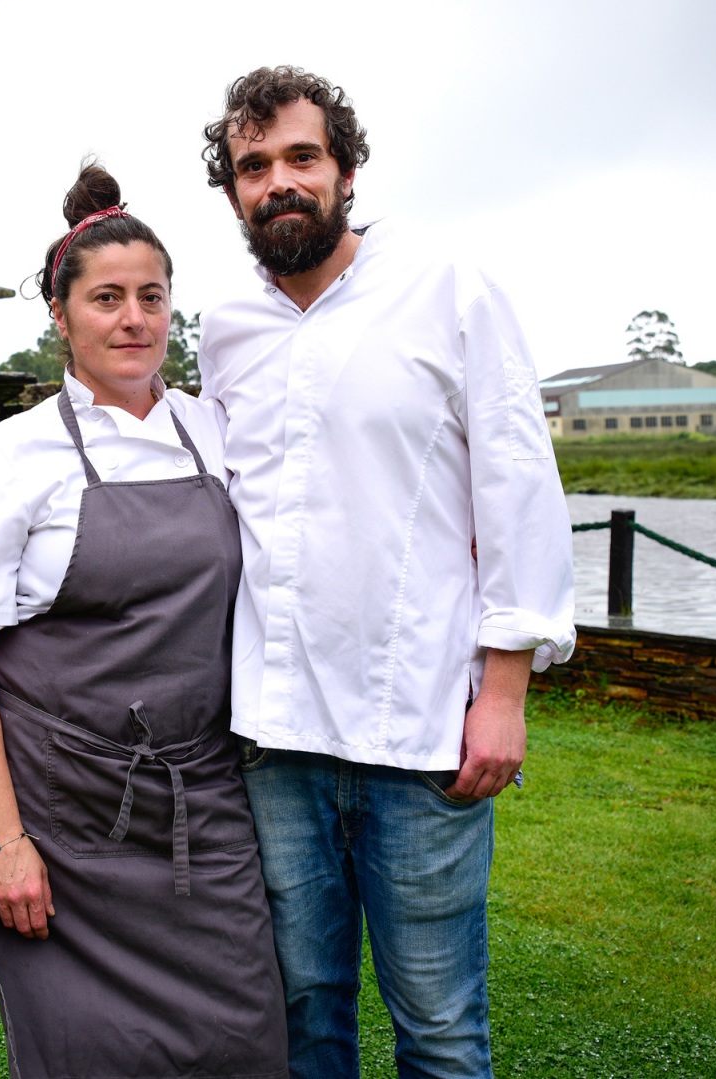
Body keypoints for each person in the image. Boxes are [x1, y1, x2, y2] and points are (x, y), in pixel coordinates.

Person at [195, 67, 575, 1079]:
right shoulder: (224, 328)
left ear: (346, 171)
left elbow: (518, 491)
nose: (279, 180)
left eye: (301, 156)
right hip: (273, 737)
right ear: (232, 192)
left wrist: (504, 693)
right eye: (253, 165)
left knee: (440, 1027)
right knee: (301, 1019)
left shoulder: (448, 289)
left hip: (422, 731)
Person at [0, 162, 288, 1079]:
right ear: (61, 315)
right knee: (88, 1053)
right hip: (62, 809)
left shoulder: (216, 431)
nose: (134, 319)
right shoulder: (12, 455)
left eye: (151, 297)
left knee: (245, 1035)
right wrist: (4, 841)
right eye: (107, 298)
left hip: (202, 793)